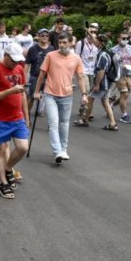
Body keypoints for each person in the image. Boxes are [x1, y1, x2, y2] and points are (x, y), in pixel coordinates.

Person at [33, 32, 87, 164]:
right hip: (50, 93)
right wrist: (36, 91)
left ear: (70, 43)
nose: (61, 45)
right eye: (60, 42)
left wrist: (84, 94)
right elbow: (41, 75)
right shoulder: (50, 56)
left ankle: (64, 149)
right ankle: (57, 151)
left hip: (67, 95)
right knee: (53, 123)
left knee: (64, 124)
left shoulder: (76, 58)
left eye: (64, 42)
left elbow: (80, 77)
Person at [0, 44, 30, 199]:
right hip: (0, 118)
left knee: (23, 147)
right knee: (1, 149)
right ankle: (3, 183)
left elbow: (23, 93)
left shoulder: (19, 69)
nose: (15, 64)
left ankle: (8, 167)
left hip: (17, 117)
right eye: (12, 60)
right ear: (5, 55)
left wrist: (26, 115)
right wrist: (9, 91)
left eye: (17, 60)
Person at [75, 34, 117, 130]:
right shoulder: (109, 52)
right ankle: (112, 123)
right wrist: (89, 32)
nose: (94, 42)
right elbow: (94, 40)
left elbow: (100, 71)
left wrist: (97, 84)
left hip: (102, 83)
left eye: (97, 40)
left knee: (89, 99)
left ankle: (84, 120)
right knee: (105, 101)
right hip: (108, 82)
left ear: (101, 42)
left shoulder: (102, 55)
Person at [110, 31, 131, 124]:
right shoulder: (113, 50)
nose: (125, 40)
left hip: (129, 73)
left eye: (126, 38)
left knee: (125, 95)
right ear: (118, 39)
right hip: (119, 74)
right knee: (125, 94)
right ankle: (124, 115)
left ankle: (112, 104)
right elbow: (111, 63)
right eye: (123, 38)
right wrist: (118, 65)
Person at [25, 28, 52, 117]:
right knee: (32, 97)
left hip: (48, 77)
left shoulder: (52, 49)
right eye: (42, 35)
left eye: (46, 36)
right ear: (38, 36)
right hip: (35, 76)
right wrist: (24, 78)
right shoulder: (32, 49)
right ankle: (26, 116)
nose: (45, 37)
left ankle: (51, 121)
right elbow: (27, 64)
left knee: (49, 98)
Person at [75, 24, 100, 118]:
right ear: (87, 32)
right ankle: (87, 110)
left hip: (92, 71)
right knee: (87, 89)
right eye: (91, 32)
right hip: (83, 70)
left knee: (89, 92)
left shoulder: (96, 44)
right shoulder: (80, 43)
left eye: (95, 32)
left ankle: (83, 107)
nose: (93, 34)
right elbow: (76, 57)